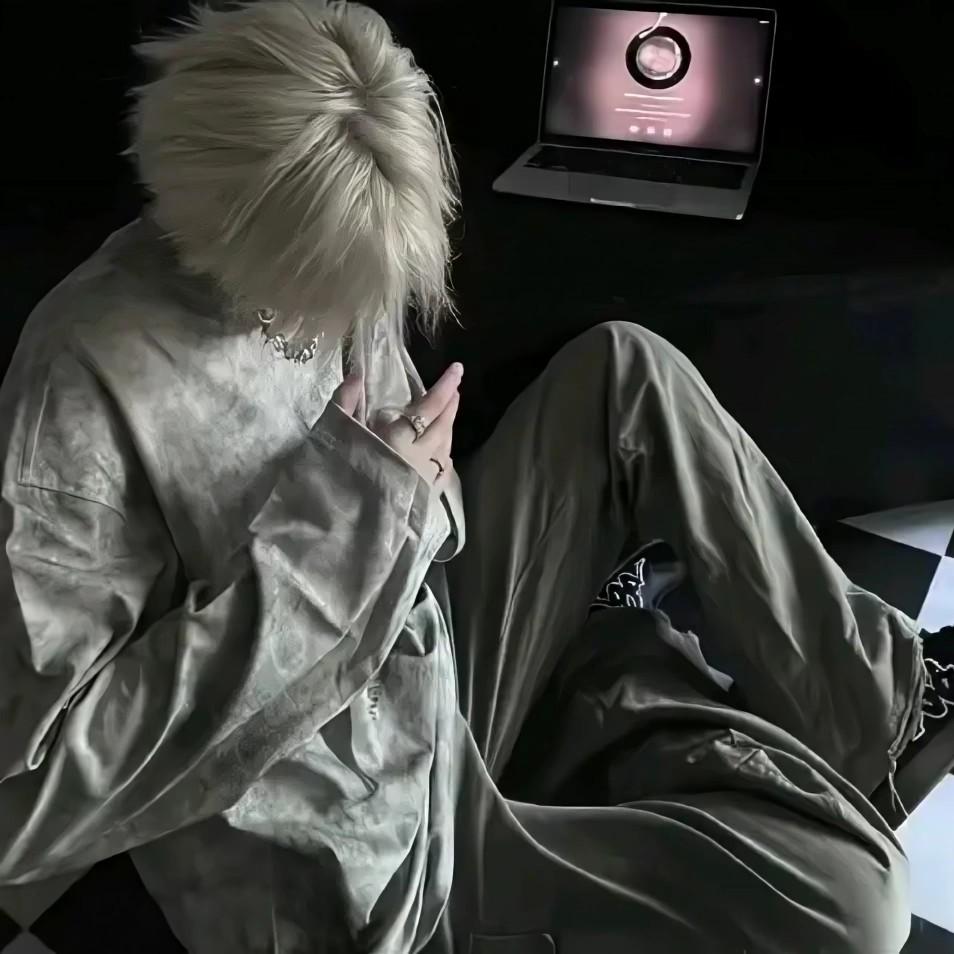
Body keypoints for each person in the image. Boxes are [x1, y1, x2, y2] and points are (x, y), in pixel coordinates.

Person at [0, 2, 951, 952]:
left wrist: (416, 500)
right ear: (246, 231)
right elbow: (29, 804)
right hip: (373, 845)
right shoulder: (77, 395)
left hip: (432, 662)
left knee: (626, 374)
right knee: (859, 908)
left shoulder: (320, 245)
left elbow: (410, 505)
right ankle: (596, 692)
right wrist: (344, 531)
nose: (355, 319)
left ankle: (879, 714)